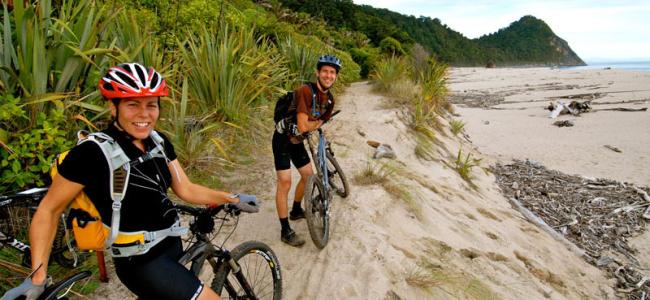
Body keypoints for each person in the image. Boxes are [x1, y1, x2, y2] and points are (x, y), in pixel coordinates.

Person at [2, 63, 258, 300]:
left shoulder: (157, 141)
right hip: (142, 262)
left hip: (171, 245)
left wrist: (231, 198)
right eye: (132, 105)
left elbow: (186, 188)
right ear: (113, 107)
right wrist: (37, 278)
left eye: (151, 105)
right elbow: (49, 210)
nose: (144, 114)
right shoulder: (91, 153)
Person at [272, 55, 341, 247]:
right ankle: (285, 230)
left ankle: (295, 211)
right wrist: (314, 123)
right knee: (284, 182)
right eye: (325, 71)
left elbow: (319, 122)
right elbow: (304, 126)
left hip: (298, 142)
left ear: (335, 77)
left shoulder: (330, 100)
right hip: (283, 140)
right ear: (317, 73)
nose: (328, 75)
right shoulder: (304, 91)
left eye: (332, 72)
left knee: (307, 175)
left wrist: (313, 124)